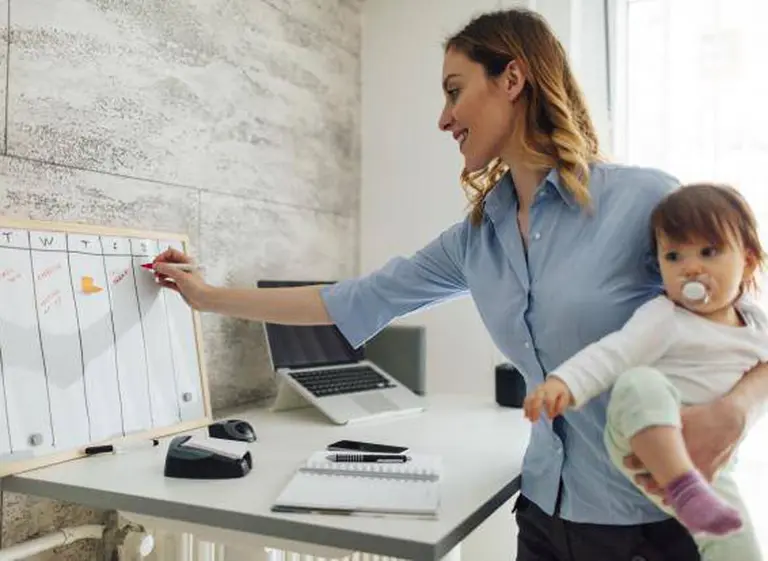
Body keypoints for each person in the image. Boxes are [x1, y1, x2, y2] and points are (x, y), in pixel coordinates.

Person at [149, 9, 768, 561]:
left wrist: (734, 412)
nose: (444, 119)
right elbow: (351, 299)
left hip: (652, 526)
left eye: (454, 91)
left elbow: (755, 323)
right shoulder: (480, 237)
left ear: (513, 79)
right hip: (546, 517)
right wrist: (206, 297)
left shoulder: (641, 199)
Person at [523, 183, 766, 561]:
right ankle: (683, 489)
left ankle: (693, 495)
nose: (691, 267)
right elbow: (612, 353)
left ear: (748, 262)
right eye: (673, 256)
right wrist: (563, 383)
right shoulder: (664, 317)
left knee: (736, 540)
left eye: (709, 251)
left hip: (709, 462)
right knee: (640, 381)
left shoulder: (756, 324)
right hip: (639, 435)